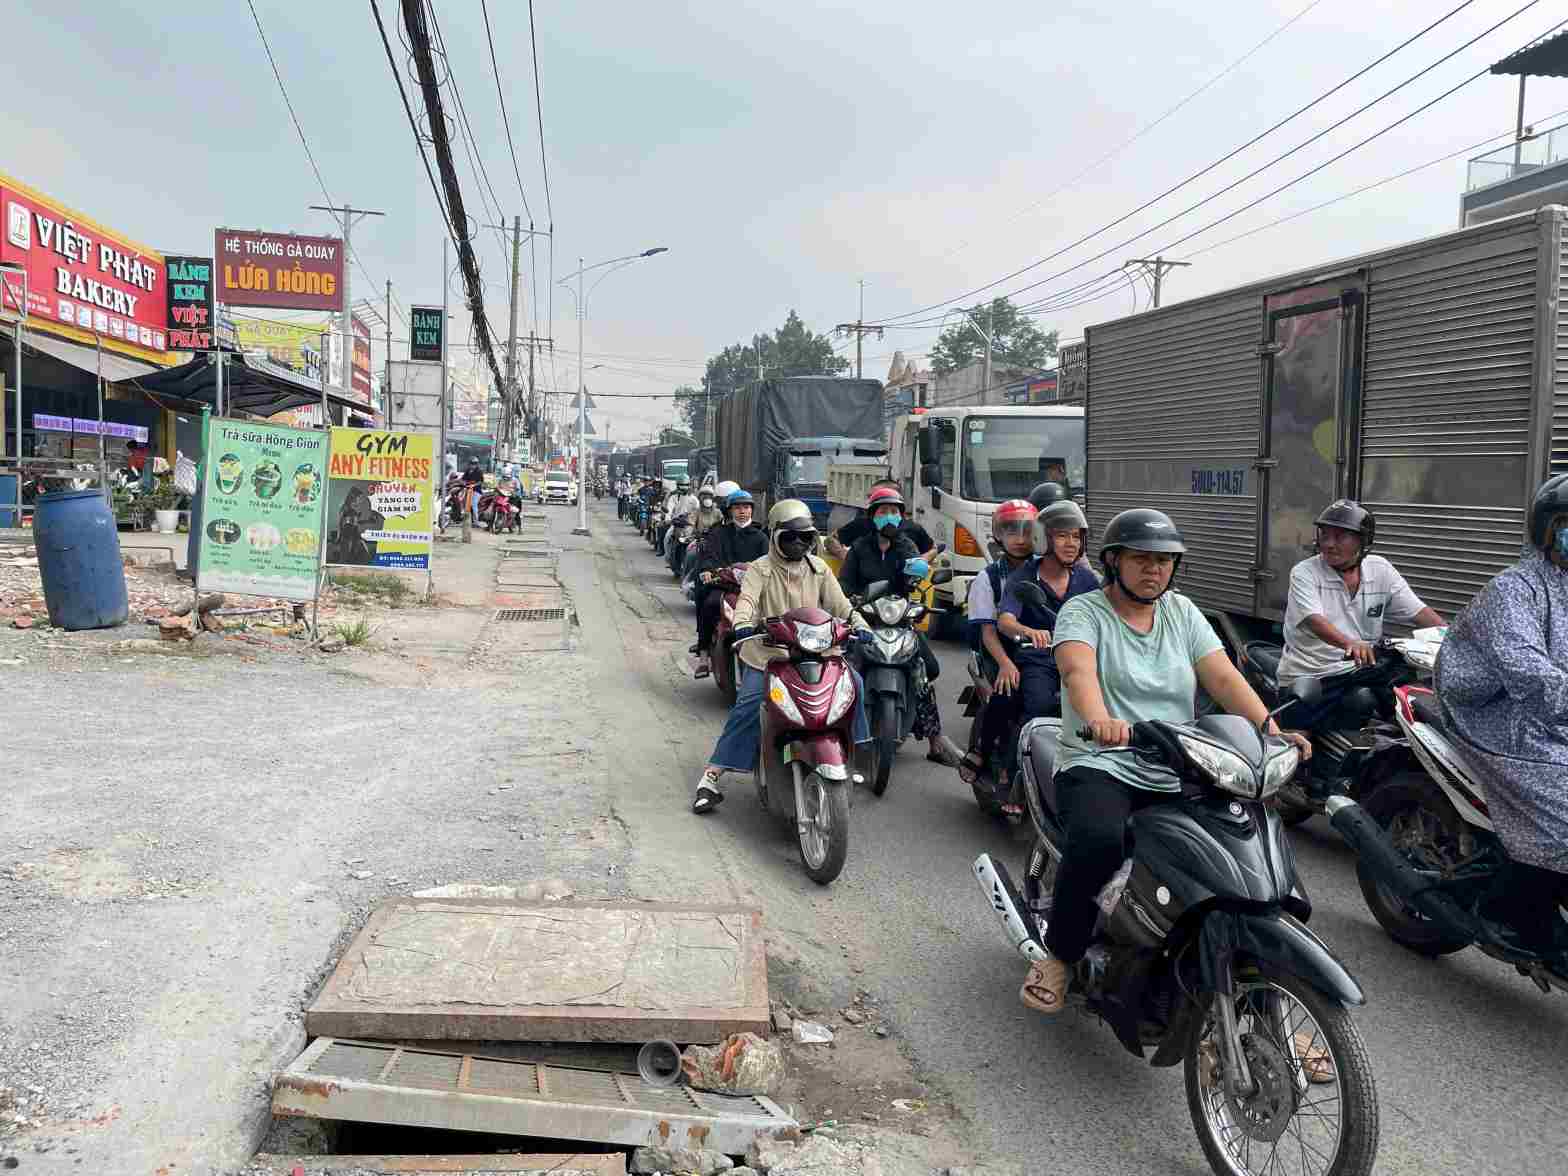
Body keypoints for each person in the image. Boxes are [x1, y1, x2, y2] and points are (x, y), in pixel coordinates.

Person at [1019, 508, 1310, 1014]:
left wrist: (1271, 730)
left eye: (1164, 561)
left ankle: (1275, 1004)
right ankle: (1060, 956)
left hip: (1181, 759)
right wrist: (1099, 719)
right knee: (1099, 841)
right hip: (1102, 759)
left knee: (1251, 841)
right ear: (1113, 562)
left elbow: (1221, 678)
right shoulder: (1084, 612)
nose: (1154, 569)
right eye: (1141, 559)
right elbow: (1077, 672)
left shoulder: (1181, 611)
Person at [1436, 474, 1568, 960]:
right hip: (1496, 716)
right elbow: (1526, 666)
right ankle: (1515, 909)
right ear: (1548, 530)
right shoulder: (1512, 590)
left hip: (1553, 717)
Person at [692, 499, 871, 813]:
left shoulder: (819, 570)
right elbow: (746, 601)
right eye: (791, 536)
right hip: (769, 654)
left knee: (853, 684)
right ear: (775, 536)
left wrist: (860, 624)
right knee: (748, 704)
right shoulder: (760, 569)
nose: (799, 543)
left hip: (817, 651)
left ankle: (852, 754)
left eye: (806, 537)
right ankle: (712, 776)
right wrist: (744, 623)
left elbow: (842, 607)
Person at [837, 485, 962, 767]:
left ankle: (935, 740)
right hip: (864, 620)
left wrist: (917, 575)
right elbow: (844, 582)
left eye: (894, 511)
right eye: (883, 512)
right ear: (872, 516)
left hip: (899, 619)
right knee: (843, 667)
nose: (889, 517)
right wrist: (849, 598)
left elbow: (915, 574)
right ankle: (837, 732)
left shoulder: (906, 545)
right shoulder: (860, 548)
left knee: (926, 668)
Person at [1277, 500, 1445, 689]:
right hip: (1312, 675)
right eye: (1325, 535)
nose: (1329, 544)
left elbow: (1419, 612)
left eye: (1340, 537)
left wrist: (1451, 636)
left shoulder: (1380, 569)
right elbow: (1315, 621)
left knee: (1409, 691)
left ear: (1363, 541)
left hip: (1359, 670)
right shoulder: (1304, 573)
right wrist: (1352, 644)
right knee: (1360, 703)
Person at [957, 498, 1039, 797]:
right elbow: (987, 631)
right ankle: (986, 750)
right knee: (1007, 695)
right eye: (1011, 531)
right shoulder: (988, 577)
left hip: (1044, 651)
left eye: (1027, 531)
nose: (1020, 539)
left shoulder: (1049, 570)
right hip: (1001, 651)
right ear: (998, 536)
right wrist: (1005, 662)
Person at [996, 499, 1101, 722]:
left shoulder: (1086, 579)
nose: (1071, 543)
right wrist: (1029, 631)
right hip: (1040, 659)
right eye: (1062, 536)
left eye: (1076, 536)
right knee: (1039, 706)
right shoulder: (1024, 577)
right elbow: (1005, 620)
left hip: (1082, 659)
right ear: (1043, 539)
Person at [691, 488, 768, 678]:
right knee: (709, 603)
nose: (742, 511)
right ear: (730, 511)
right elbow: (709, 557)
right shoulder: (719, 534)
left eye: (746, 507)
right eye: (738, 508)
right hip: (724, 586)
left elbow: (769, 563)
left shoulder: (761, 537)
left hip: (752, 590)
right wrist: (708, 571)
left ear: (752, 510)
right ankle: (703, 652)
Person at [826, 478, 935, 560]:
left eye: (876, 496)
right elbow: (831, 540)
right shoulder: (861, 525)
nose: (871, 501)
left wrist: (922, 560)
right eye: (870, 497)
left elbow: (933, 549)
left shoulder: (913, 529)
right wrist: (844, 555)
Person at [659, 478, 699, 557]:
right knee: (666, 536)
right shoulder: (673, 497)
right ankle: (666, 553)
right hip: (676, 523)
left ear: (689, 486)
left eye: (686, 485)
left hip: (689, 525)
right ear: (677, 486)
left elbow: (698, 510)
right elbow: (669, 509)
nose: (684, 487)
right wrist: (667, 519)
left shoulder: (694, 499)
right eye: (682, 485)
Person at [462, 459, 485, 525]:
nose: (472, 466)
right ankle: (466, 520)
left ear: (476, 465)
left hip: (476, 491)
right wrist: (464, 483)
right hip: (468, 490)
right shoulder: (468, 471)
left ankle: (476, 521)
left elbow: (481, 481)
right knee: (465, 504)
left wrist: (474, 485)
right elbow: (463, 479)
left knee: (473, 504)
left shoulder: (479, 471)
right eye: (471, 464)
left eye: (474, 464)